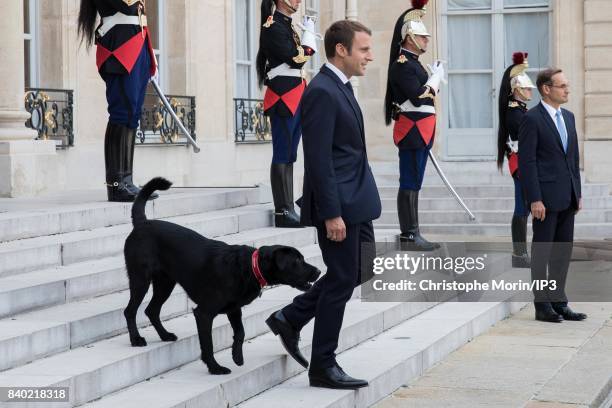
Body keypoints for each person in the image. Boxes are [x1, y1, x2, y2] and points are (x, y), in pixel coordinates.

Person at [265, 20, 381, 389]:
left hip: (357, 199)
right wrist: (331, 213)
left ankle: (291, 317)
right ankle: (323, 365)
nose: (370, 56)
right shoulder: (321, 91)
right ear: (341, 50)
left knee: (361, 269)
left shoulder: (340, 86)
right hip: (339, 205)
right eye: (363, 49)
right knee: (343, 278)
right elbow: (317, 159)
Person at [518, 68, 587, 323]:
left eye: (567, 85)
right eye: (562, 86)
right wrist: (534, 198)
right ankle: (542, 305)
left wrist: (577, 193)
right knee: (543, 252)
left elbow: (573, 159)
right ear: (546, 89)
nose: (567, 89)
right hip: (544, 200)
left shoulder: (568, 117)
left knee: (562, 252)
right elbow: (527, 162)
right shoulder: (532, 119)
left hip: (567, 197)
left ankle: (559, 301)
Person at [77, 0, 158, 202]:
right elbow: (125, 5)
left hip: (136, 41)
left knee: (132, 115)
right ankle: (115, 185)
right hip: (120, 45)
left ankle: (127, 180)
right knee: (121, 113)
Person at [384, 0, 444, 251]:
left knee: (415, 182)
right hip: (412, 130)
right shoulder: (402, 65)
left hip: (422, 130)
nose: (426, 40)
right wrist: (434, 80)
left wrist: (433, 79)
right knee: (409, 181)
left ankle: (414, 232)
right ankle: (409, 234)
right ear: (409, 37)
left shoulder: (414, 63)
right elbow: (419, 97)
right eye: (422, 37)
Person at [256, 0, 318, 228]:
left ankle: (289, 207)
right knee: (282, 153)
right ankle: (282, 210)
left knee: (290, 154)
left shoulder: (287, 26)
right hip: (283, 96)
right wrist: (310, 39)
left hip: (295, 93)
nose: (298, 1)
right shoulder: (273, 26)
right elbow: (296, 58)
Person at [496, 52, 536, 268]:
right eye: (527, 88)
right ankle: (519, 254)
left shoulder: (521, 110)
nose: (530, 91)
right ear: (517, 90)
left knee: (526, 206)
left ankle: (521, 253)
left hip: (525, 161)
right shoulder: (514, 113)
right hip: (520, 162)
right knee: (522, 207)